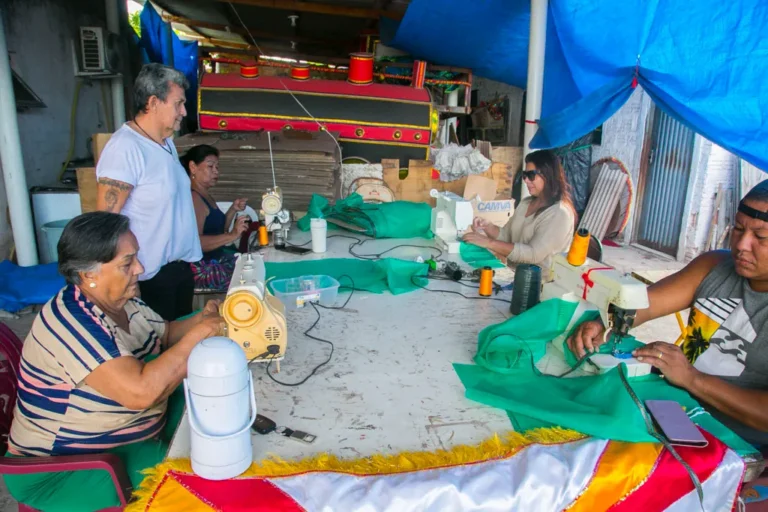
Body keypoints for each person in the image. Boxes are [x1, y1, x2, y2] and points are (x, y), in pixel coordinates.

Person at [3, 212, 222, 512]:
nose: (140, 269)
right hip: (60, 470)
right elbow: (140, 392)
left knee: (213, 408)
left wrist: (207, 316)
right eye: (127, 263)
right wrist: (202, 333)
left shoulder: (122, 301)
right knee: (201, 474)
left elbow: (167, 333)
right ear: (89, 275)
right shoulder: (72, 323)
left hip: (121, 439)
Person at [568, 180, 768, 448]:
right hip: (677, 408)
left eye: (761, 237)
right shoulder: (714, 266)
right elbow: (646, 304)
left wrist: (690, 378)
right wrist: (602, 324)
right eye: (738, 229)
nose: (742, 244)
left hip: (733, 441)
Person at [96, 63, 201, 321]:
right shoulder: (126, 148)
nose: (183, 112)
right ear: (154, 102)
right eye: (178, 103)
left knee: (180, 346)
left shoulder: (166, 144)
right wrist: (127, 280)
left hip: (177, 269)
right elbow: (105, 223)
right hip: (148, 277)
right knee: (159, 351)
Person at [463, 150, 575, 276]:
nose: (526, 180)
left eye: (531, 175)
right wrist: (488, 226)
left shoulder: (559, 213)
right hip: (514, 276)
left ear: (548, 175)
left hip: (540, 286)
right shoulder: (526, 203)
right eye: (524, 175)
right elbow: (507, 237)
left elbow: (533, 255)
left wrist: (488, 242)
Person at [180, 145, 248, 290]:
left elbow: (218, 230)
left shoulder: (205, 195)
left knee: (255, 263)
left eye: (217, 166)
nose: (216, 171)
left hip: (216, 259)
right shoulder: (194, 198)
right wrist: (233, 235)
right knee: (250, 277)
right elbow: (196, 243)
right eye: (210, 166)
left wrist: (232, 210)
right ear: (193, 167)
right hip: (204, 268)